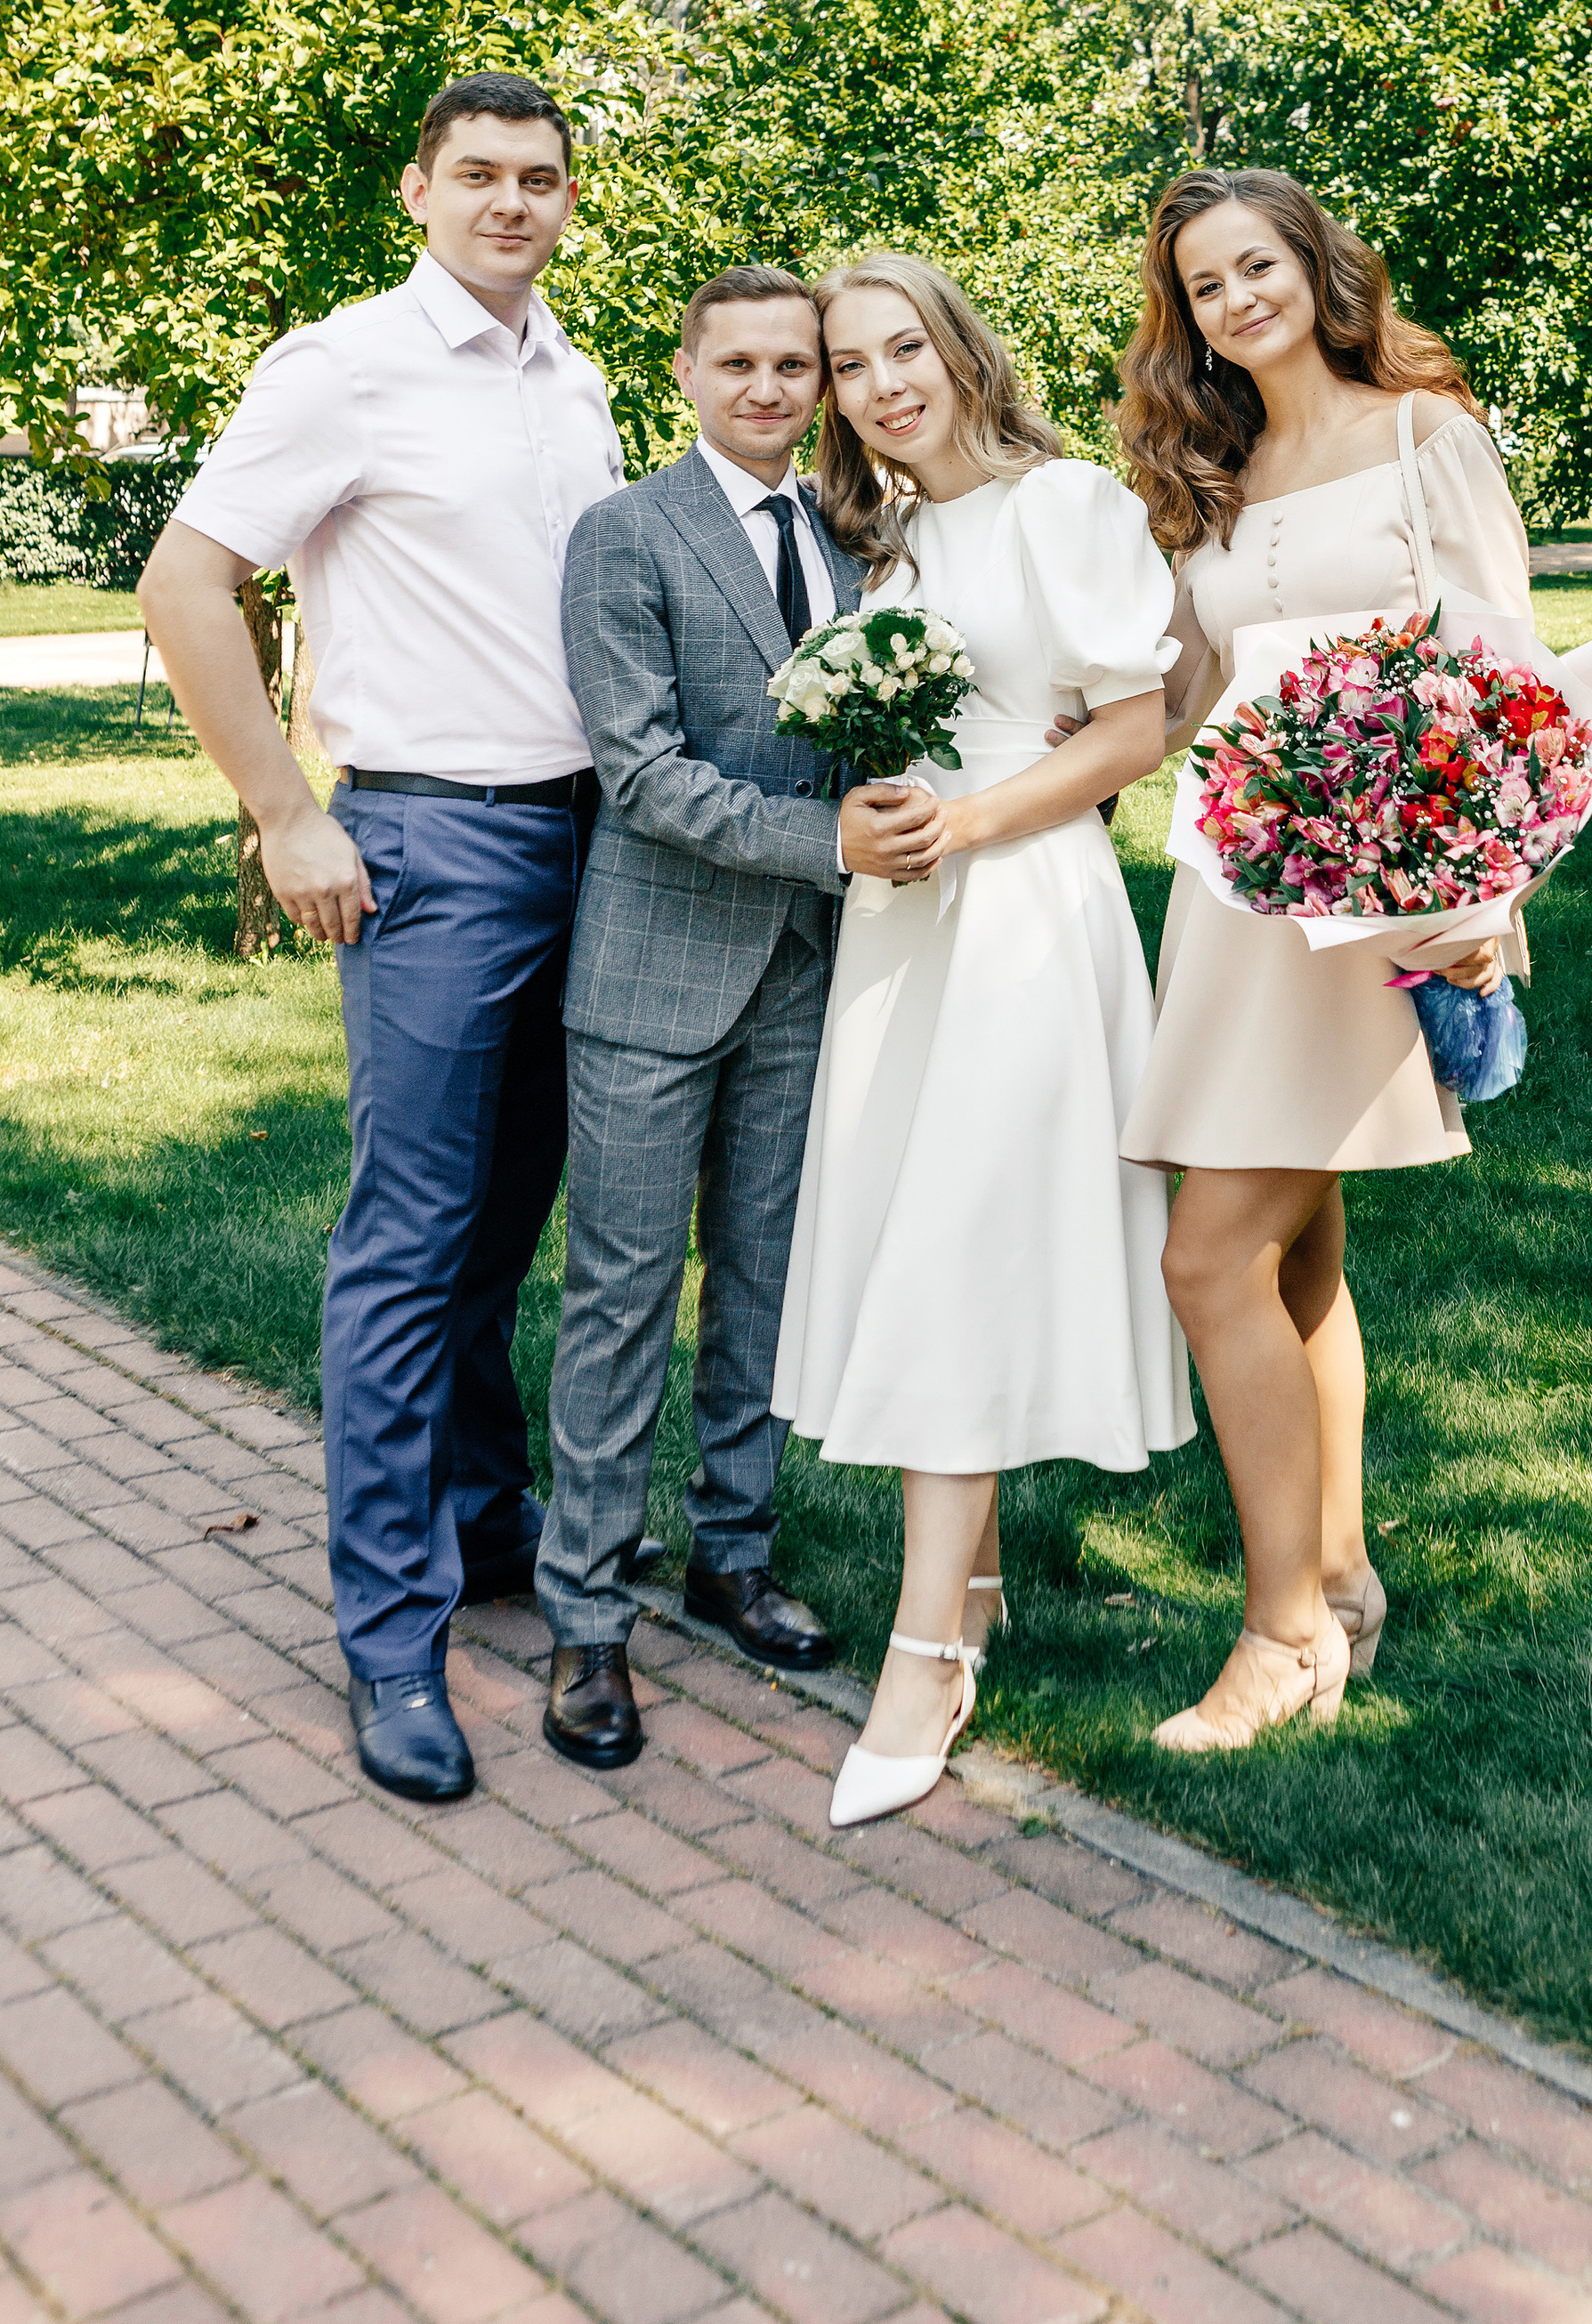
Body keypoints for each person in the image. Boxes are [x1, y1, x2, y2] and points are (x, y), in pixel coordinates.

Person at [138, 75, 626, 1805]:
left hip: (594, 840)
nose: (511, 201)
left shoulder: (576, 380)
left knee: (509, 1214)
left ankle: (488, 1528)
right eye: (478, 175)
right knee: (410, 1239)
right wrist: (285, 810)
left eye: (541, 178)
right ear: (418, 189)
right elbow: (189, 583)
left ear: (570, 201)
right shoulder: (342, 366)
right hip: (428, 841)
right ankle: (391, 1636)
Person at [771, 253, 1193, 1828]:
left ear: (957, 350)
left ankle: (923, 1655)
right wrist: (878, 813)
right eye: (849, 364)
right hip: (907, 922)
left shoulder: (1061, 506)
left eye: (903, 350)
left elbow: (1139, 728)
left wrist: (965, 822)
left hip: (1018, 913)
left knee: (951, 1250)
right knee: (910, 1236)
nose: (882, 385)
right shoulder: (887, 543)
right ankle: (986, 1582)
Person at [1116, 167, 1533, 1753]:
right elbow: (1171, 697)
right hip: (1233, 890)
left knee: (1206, 1259)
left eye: (1256, 266)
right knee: (1292, 1256)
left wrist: (1490, 893)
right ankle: (1341, 1573)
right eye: (1205, 286)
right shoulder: (1215, 474)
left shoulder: (1427, 431)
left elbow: (1506, 671)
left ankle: (1279, 1637)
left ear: (1315, 266)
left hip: (1381, 892)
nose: (1236, 300)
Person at [536, 266, 940, 1770]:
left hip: (803, 971)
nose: (771, 389)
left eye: (796, 367)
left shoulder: (861, 543)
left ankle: (735, 1553)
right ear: (688, 371)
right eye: (742, 365)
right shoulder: (624, 537)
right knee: (623, 1294)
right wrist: (823, 840)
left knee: (765, 1277)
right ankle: (588, 1611)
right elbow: (635, 772)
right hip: (651, 975)